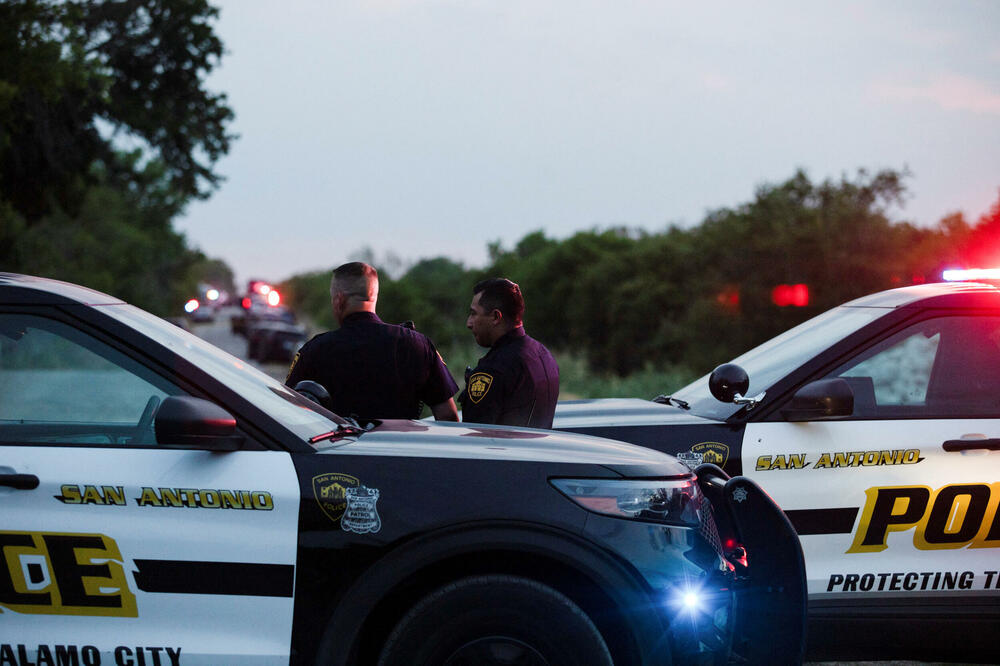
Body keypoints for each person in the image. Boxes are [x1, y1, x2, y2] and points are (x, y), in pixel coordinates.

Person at [286, 262, 458, 421]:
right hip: (400, 451)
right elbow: (448, 417)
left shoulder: (316, 349)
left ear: (338, 300)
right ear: (374, 296)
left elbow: (287, 411)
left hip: (337, 451)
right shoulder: (417, 344)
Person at [460, 278, 559, 428]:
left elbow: (476, 439)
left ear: (495, 317)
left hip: (505, 450)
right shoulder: (544, 355)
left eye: (474, 314)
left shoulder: (493, 370)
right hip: (539, 450)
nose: (469, 323)